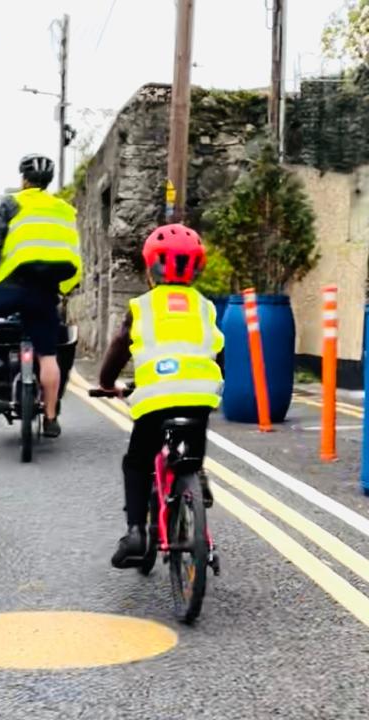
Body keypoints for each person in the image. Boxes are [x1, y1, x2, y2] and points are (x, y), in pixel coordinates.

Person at [95, 224, 223, 569]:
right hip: (200, 395)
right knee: (193, 443)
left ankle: (136, 533)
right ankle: (196, 475)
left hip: (154, 397)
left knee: (137, 460)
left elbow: (120, 348)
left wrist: (107, 382)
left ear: (150, 267)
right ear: (198, 268)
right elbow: (219, 351)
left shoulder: (141, 306)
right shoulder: (206, 307)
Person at [0, 154, 82, 439]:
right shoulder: (65, 210)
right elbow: (73, 252)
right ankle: (52, 417)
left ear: (23, 179)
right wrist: (66, 288)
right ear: (48, 181)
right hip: (46, 291)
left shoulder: (12, 203)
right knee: (48, 356)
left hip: (14, 286)